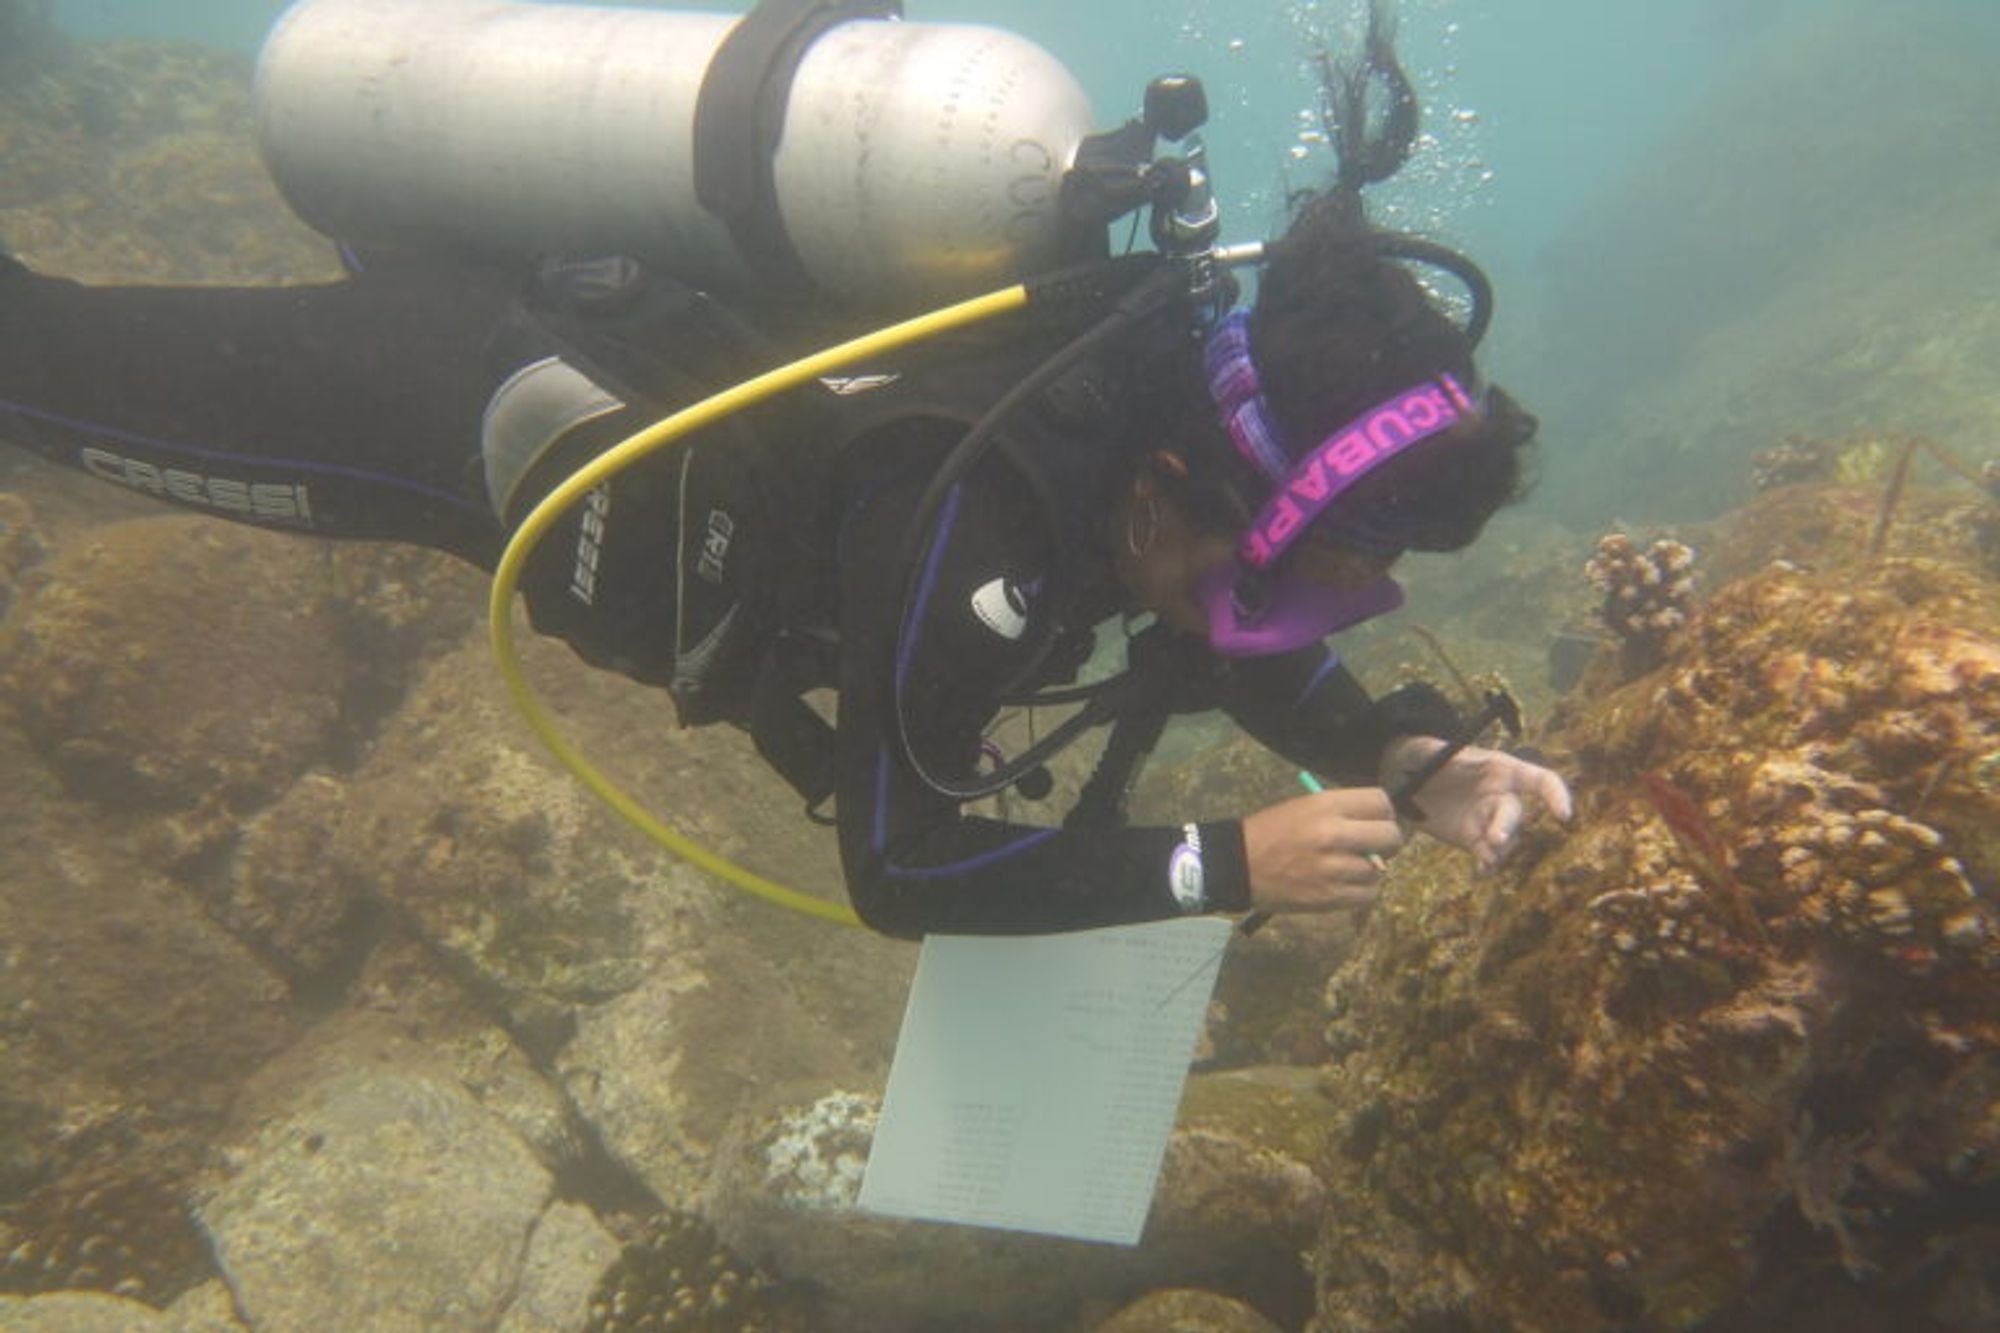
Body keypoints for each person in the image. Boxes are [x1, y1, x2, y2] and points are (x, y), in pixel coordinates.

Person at [0, 7, 1570, 940]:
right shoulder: (976, 507)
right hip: (447, 404)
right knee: (41, 366)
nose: (1283, 619)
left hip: (598, 328)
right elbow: (899, 862)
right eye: (1295, 575)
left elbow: (1228, 642)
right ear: (1183, 489)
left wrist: (1411, 756)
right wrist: (1221, 863)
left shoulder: (1163, 400)